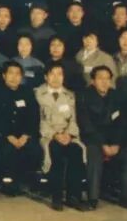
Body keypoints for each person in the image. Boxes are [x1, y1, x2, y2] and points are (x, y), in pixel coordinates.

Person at [77, 65, 127, 209]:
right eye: (100, 78)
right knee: (93, 154)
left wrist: (117, 144)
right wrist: (103, 145)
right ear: (92, 81)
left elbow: (123, 124)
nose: (104, 82)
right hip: (94, 140)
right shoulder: (83, 96)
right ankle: (93, 198)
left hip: (114, 141)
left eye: (107, 79)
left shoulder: (117, 96)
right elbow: (86, 125)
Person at [36, 62, 88, 211]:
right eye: (52, 74)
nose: (56, 78)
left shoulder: (70, 95)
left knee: (76, 151)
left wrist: (69, 134)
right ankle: (57, 197)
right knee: (56, 152)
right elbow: (39, 120)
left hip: (67, 135)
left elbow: (74, 120)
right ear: (46, 77)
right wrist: (55, 135)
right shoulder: (38, 93)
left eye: (59, 74)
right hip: (49, 135)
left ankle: (73, 196)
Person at [0, 62, 41, 195]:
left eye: (17, 74)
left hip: (24, 135)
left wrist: (25, 135)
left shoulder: (27, 92)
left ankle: (26, 182)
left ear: (21, 77)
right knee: (7, 150)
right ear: (4, 75)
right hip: (3, 135)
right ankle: (7, 182)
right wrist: (9, 136)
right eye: (10, 73)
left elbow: (34, 116)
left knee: (35, 150)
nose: (14, 77)